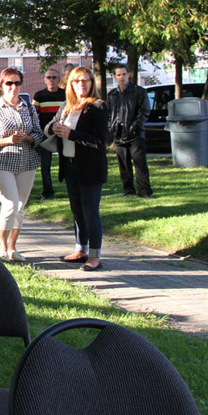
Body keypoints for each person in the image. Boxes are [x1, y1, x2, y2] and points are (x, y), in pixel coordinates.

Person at [45, 66, 109, 271]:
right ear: (70, 84)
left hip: (90, 168)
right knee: (77, 211)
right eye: (77, 81)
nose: (81, 84)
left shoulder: (97, 106)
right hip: (70, 166)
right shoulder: (67, 105)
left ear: (92, 84)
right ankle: (80, 249)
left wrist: (71, 134)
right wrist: (53, 128)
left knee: (91, 211)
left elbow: (99, 141)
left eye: (85, 81)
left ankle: (95, 255)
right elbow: (49, 127)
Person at [0, 68, 44, 262]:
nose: (13, 87)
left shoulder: (29, 108)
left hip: (27, 161)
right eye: (9, 83)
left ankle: (13, 247)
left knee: (20, 206)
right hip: (2, 161)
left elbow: (39, 135)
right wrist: (7, 140)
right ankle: (1, 247)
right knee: (9, 204)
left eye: (17, 83)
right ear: (2, 85)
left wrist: (27, 138)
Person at [107, 63, 153, 199]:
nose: (122, 77)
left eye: (124, 74)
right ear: (114, 77)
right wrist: (111, 128)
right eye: (119, 75)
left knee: (139, 163)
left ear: (129, 75)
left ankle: (144, 190)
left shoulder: (139, 91)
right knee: (123, 164)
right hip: (118, 133)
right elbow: (108, 114)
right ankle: (128, 189)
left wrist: (136, 126)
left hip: (135, 134)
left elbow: (144, 111)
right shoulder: (112, 94)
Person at [32, 69, 65, 199]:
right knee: (45, 166)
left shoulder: (65, 95)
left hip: (63, 133)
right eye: (49, 78)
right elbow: (34, 116)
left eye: (54, 77)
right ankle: (48, 192)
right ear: (45, 80)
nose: (51, 80)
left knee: (67, 163)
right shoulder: (39, 96)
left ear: (59, 79)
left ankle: (72, 188)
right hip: (44, 134)